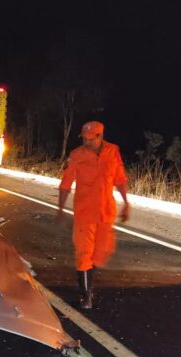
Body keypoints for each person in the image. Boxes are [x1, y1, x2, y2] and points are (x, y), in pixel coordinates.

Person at [57, 121, 129, 309]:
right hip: (84, 214)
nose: (86, 142)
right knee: (84, 255)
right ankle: (86, 295)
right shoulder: (76, 155)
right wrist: (60, 209)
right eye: (84, 138)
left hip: (106, 213)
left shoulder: (113, 151)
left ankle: (88, 281)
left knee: (101, 253)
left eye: (90, 139)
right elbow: (65, 184)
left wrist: (126, 203)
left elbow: (120, 178)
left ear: (100, 136)